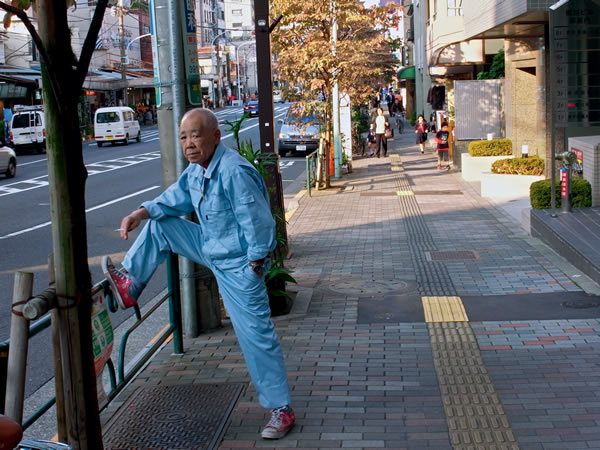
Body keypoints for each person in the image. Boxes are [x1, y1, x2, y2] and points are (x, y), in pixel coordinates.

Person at [101, 108, 295, 440]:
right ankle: (131, 283)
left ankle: (281, 408)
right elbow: (172, 200)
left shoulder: (234, 171)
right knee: (161, 224)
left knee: (256, 339)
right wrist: (140, 212)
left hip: (239, 265)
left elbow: (260, 225)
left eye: (196, 135)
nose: (189, 143)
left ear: (215, 137)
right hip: (211, 246)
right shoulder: (196, 171)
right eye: (183, 137)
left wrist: (254, 268)